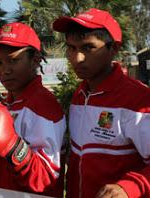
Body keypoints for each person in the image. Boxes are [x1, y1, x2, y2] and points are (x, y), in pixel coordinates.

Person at [53, 8, 150, 198]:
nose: (77, 58)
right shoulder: (79, 95)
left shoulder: (139, 100)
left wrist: (129, 188)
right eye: (71, 48)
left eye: (88, 48)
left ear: (114, 48)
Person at [0, 22, 66, 196]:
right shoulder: (8, 104)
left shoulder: (43, 107)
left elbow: (46, 178)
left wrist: (11, 146)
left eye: (13, 60)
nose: (5, 70)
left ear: (35, 60)